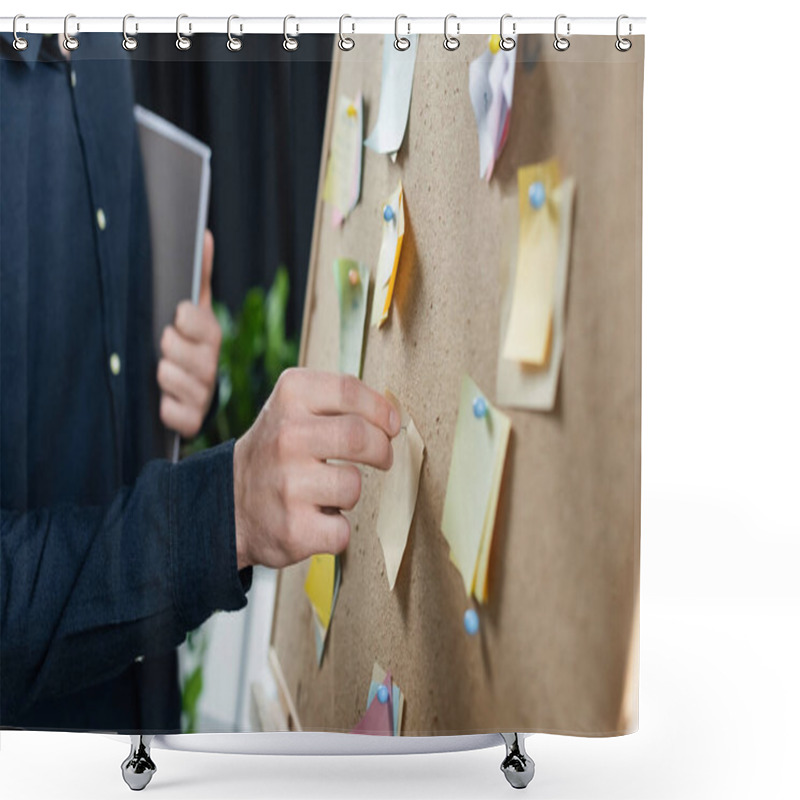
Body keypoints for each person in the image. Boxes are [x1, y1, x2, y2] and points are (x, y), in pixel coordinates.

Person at [0, 33, 399, 732]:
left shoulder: (97, 46)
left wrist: (179, 374)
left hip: (145, 731)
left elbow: (86, 385)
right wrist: (226, 510)